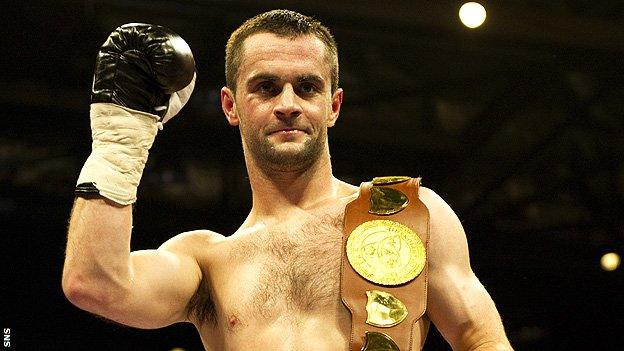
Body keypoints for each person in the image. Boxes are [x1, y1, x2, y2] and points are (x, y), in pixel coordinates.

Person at [62, 9, 513, 351]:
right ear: (230, 106)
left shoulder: (409, 214)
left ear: (334, 106)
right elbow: (96, 285)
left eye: (307, 87)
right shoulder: (206, 261)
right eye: (266, 87)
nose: (288, 104)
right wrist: (120, 142)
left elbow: (482, 339)